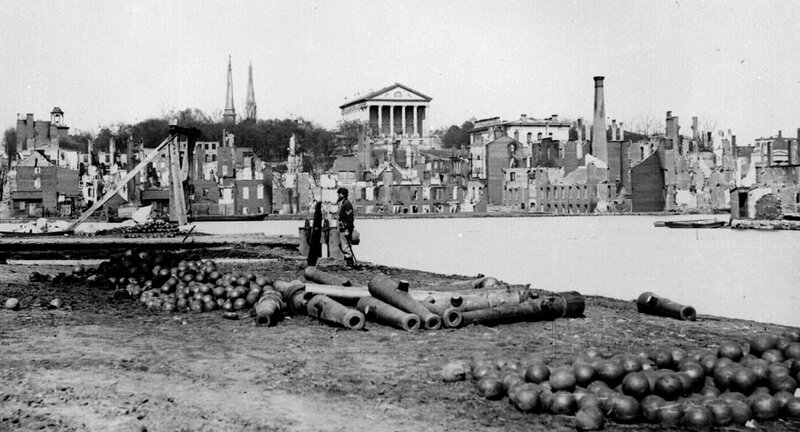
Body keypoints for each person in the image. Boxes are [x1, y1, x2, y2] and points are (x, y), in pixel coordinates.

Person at [336, 187, 356, 268]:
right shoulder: (343, 203)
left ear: (343, 194)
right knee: (343, 244)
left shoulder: (347, 204)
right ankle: (348, 261)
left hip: (345, 228)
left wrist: (348, 229)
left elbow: (350, 217)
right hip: (342, 228)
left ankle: (350, 263)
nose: (338, 195)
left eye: (339, 193)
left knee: (345, 245)